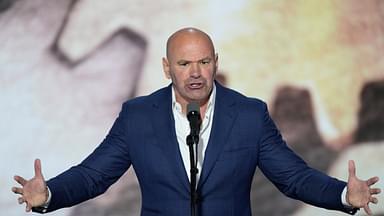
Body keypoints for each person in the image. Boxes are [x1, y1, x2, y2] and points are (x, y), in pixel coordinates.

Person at [12, 27, 381, 215]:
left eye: (203, 62)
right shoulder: (138, 117)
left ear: (215, 63)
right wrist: (50, 194)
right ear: (166, 67)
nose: (195, 73)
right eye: (184, 63)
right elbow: (95, 175)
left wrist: (343, 195)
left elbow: (292, 176)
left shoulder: (249, 115)